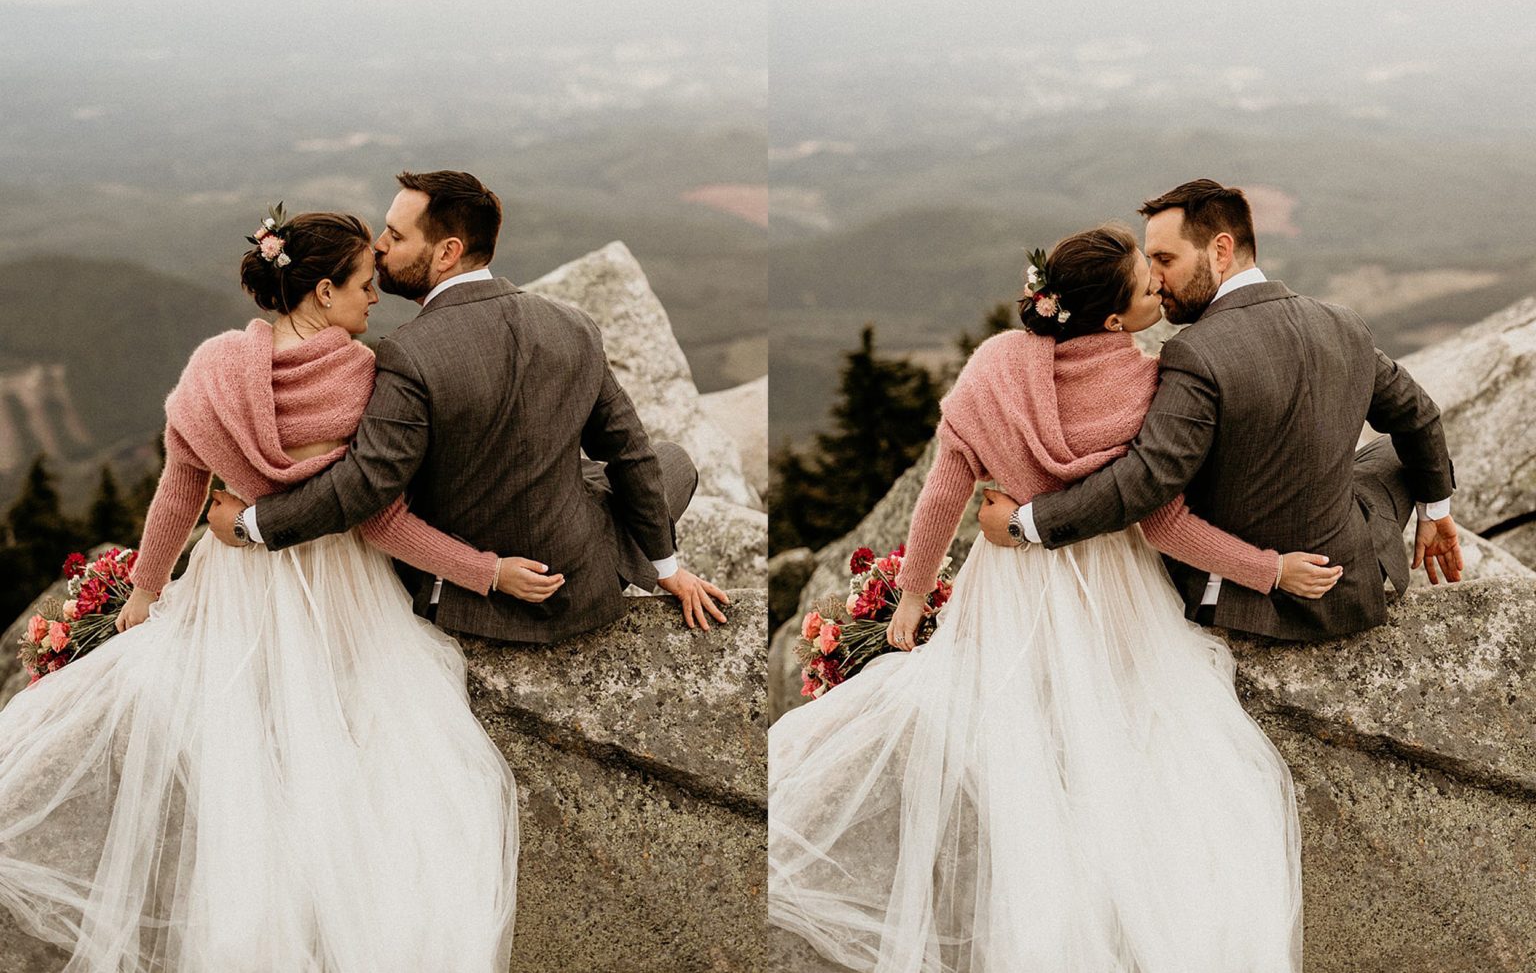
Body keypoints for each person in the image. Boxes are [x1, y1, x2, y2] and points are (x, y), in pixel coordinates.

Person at [770, 223, 1321, 972]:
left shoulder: (994, 368)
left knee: (1020, 738)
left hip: (1014, 589)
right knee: (1134, 740)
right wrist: (1268, 568)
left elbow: (944, 493)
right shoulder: (1146, 384)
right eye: (1146, 280)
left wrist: (911, 598)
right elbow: (1167, 525)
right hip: (1113, 590)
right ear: (1114, 321)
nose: (1160, 283)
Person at [0, 211, 517, 970]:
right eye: (366, 285)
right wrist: (486, 570)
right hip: (340, 590)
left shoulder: (214, 369)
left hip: (236, 586)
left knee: (246, 748)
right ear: (321, 289)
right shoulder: (362, 374)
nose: (375, 298)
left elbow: (180, 490)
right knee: (358, 750)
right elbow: (382, 521)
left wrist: (145, 591)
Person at [205, 170, 729, 639]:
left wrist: (254, 525)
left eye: (397, 234)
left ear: (447, 252)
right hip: (577, 579)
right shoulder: (573, 325)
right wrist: (667, 568)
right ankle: (605, 564)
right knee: (667, 463)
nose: (380, 246)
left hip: (465, 595)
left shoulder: (406, 352)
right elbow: (629, 454)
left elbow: (367, 484)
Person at [979, 180, 1460, 640]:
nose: (1155, 278)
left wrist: (1029, 523)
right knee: (1400, 458)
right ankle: (1400, 520)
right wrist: (1435, 509)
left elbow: (1147, 479)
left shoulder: (1195, 353)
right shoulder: (1342, 323)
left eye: (1165, 259)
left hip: (1244, 601)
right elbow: (1418, 415)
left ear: (1220, 251)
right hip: (1348, 586)